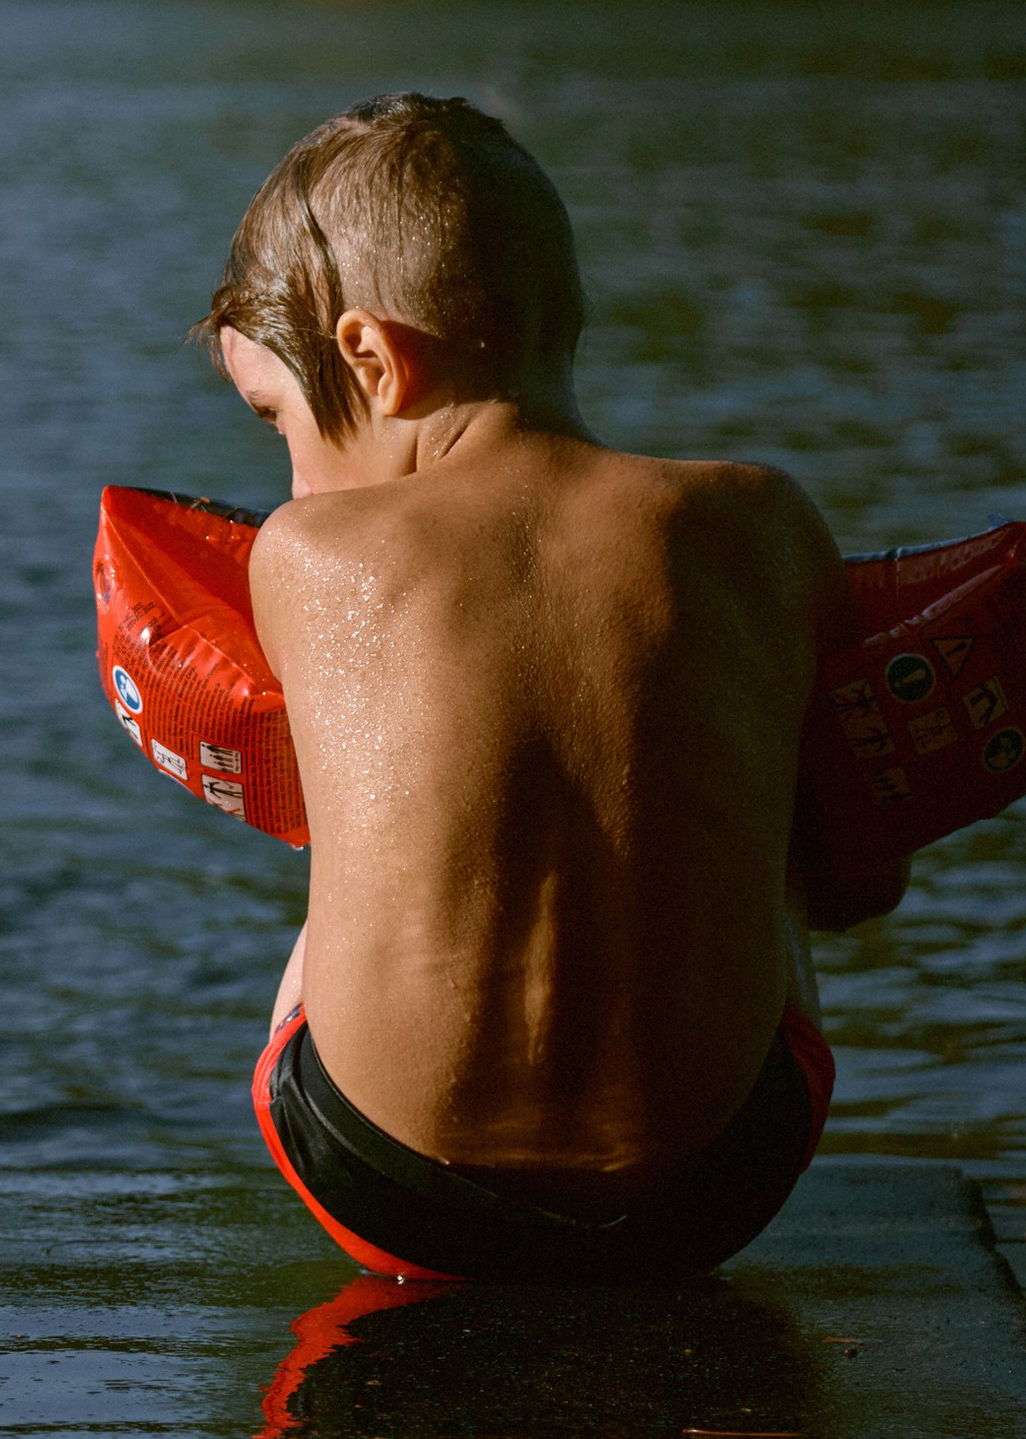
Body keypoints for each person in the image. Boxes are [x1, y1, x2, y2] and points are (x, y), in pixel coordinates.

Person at [202, 93, 908, 1284]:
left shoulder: (305, 555)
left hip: (383, 1178)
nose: (290, 476)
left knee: (348, 857)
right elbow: (863, 883)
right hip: (716, 1182)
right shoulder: (763, 525)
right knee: (761, 816)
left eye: (278, 420)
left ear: (371, 358)